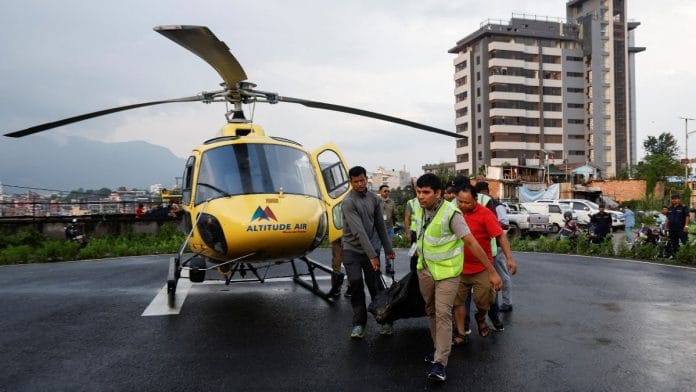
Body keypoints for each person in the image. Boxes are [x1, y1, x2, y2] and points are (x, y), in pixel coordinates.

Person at [413, 173, 501, 382]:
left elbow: (471, 243)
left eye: (426, 193)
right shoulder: (418, 208)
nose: (421, 197)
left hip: (448, 274)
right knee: (431, 310)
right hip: (425, 270)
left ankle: (440, 363)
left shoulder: (452, 213)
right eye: (418, 192)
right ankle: (438, 351)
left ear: (438, 193)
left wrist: (492, 271)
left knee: (443, 313)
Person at [452, 183, 516, 346]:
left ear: (475, 199)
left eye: (466, 202)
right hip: (458, 267)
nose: (462, 205)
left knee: (484, 301)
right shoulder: (454, 213)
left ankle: (480, 317)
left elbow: (500, 236)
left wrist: (509, 258)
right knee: (458, 302)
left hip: (482, 267)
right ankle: (460, 333)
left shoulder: (485, 214)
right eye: (460, 201)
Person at [341, 166, 396, 339]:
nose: (360, 184)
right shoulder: (348, 202)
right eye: (356, 181)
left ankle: (385, 320)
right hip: (351, 249)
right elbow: (359, 232)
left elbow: (380, 225)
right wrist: (373, 256)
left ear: (366, 179)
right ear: (351, 182)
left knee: (375, 286)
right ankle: (359, 324)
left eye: (362, 180)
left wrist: (388, 249)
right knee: (356, 283)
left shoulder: (374, 198)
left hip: (370, 248)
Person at [475, 181, 514, 316]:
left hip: (496, 247)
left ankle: (507, 303)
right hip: (484, 248)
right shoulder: (478, 205)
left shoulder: (496, 206)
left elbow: (505, 225)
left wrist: (489, 223)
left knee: (502, 275)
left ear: (485, 192)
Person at [378, 185, 397, 275]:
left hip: (389, 228)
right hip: (378, 229)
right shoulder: (376, 202)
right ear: (380, 192)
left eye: (388, 191)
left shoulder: (392, 203)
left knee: (388, 248)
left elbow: (394, 214)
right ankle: (376, 266)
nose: (387, 192)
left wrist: (393, 224)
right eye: (385, 191)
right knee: (377, 248)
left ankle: (388, 265)